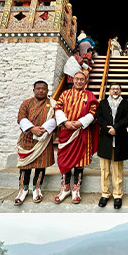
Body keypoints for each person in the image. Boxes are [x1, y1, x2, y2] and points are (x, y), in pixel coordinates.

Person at [52, 71, 99, 204]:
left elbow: (93, 111)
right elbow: (58, 108)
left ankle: (76, 189)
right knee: (64, 160)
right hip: (66, 132)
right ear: (73, 80)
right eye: (77, 79)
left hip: (81, 132)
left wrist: (80, 123)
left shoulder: (89, 95)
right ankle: (65, 188)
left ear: (85, 81)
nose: (79, 81)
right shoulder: (65, 94)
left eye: (81, 80)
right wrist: (66, 122)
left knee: (79, 163)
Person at [15, 80, 57, 205]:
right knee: (24, 166)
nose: (41, 91)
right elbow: (21, 117)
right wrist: (32, 129)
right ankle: (22, 190)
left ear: (47, 90)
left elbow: (56, 117)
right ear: (33, 90)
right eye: (38, 88)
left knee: (40, 166)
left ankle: (37, 189)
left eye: (43, 89)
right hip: (28, 138)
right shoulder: (26, 103)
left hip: (43, 139)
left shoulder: (53, 104)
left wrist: (43, 129)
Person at [94, 83, 128, 209]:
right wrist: (108, 129)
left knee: (117, 170)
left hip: (120, 138)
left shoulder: (126, 103)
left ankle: (117, 196)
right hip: (105, 139)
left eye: (117, 89)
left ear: (120, 90)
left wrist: (116, 128)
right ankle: (105, 194)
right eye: (113, 89)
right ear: (109, 91)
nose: (115, 91)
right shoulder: (103, 103)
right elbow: (99, 117)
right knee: (104, 169)